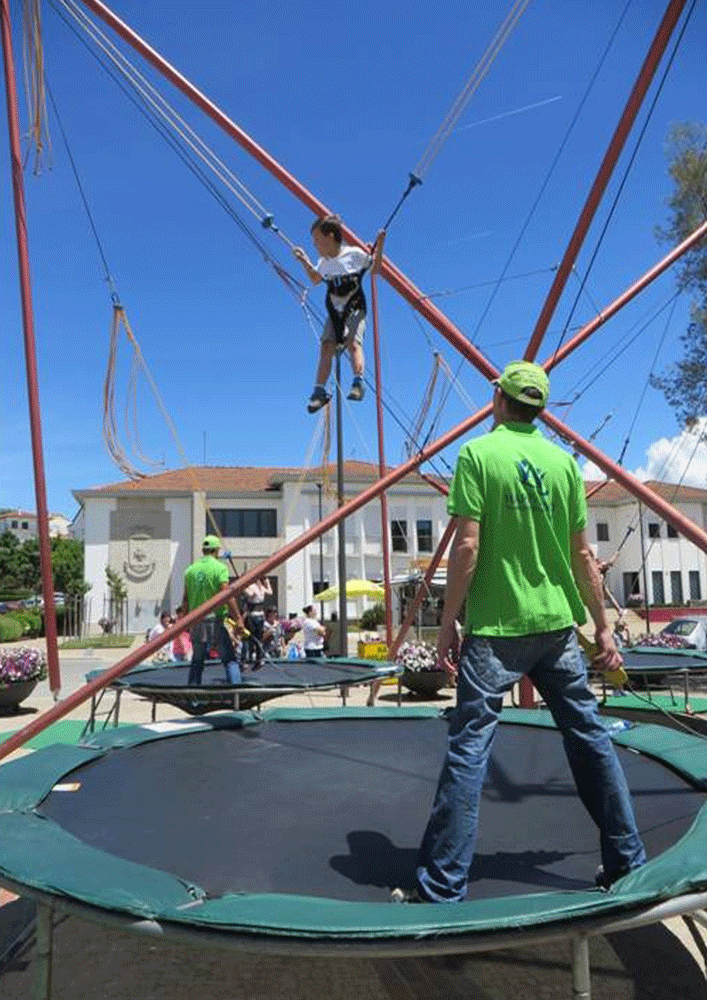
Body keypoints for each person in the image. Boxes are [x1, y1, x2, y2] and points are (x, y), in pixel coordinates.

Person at [396, 361, 646, 904]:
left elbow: (467, 546)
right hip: (556, 625)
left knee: (469, 749)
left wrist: (446, 627)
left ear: (498, 401)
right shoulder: (563, 465)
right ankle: (628, 862)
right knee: (589, 738)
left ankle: (443, 883)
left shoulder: (479, 455)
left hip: (495, 627)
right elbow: (584, 555)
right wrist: (603, 627)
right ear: (540, 407)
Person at [292, 215, 386, 412]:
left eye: (317, 240)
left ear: (331, 236)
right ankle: (319, 391)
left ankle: (358, 382)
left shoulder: (354, 254)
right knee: (326, 346)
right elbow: (316, 279)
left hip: (355, 307)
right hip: (335, 311)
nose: (315, 245)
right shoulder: (324, 263)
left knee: (353, 342)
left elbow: (375, 270)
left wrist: (380, 245)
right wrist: (304, 260)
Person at [180, 535, 243, 687]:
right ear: (216, 551)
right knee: (229, 659)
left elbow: (186, 599)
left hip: (196, 620)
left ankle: (193, 694)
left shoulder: (190, 570)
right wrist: (238, 619)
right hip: (215, 619)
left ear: (203, 550)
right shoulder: (219, 568)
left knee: (197, 660)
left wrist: (184, 621)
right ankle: (236, 693)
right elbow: (227, 595)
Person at [241, 574, 273, 668]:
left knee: (253, 638)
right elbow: (268, 592)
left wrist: (267, 582)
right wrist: (266, 582)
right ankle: (252, 660)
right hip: (256, 616)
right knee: (253, 638)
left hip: (256, 616)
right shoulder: (255, 587)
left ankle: (253, 660)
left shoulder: (256, 587)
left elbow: (268, 592)